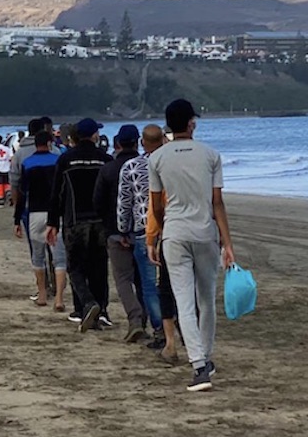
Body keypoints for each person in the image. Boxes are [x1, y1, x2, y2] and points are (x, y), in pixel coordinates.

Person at [148, 99, 235, 392]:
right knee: (206, 299)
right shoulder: (210, 155)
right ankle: (204, 357)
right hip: (204, 231)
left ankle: (199, 365)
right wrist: (228, 242)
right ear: (190, 123)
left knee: (183, 300)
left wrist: (160, 229)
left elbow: (156, 205)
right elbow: (217, 203)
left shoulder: (157, 158)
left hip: (174, 232)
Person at [45, 118, 113, 333]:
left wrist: (52, 222)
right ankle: (101, 310)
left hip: (74, 220)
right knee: (99, 267)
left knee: (76, 267)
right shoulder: (105, 160)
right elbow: (112, 195)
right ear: (94, 135)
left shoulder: (66, 160)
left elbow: (56, 193)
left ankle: (85, 304)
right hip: (100, 222)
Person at [119, 124, 168, 349]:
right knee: (175, 282)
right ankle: (181, 327)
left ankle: (161, 331)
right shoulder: (171, 164)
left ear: (142, 142)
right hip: (172, 227)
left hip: (142, 230)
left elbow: (125, 203)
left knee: (149, 285)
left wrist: (123, 229)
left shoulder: (131, 167)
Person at [94, 125, 144, 339]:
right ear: (137, 142)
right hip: (143, 231)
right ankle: (151, 323)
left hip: (115, 232)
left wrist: (109, 226)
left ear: (117, 144)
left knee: (123, 279)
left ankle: (134, 318)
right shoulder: (146, 167)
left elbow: (98, 202)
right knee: (145, 280)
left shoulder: (108, 169)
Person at [14, 131, 69, 310]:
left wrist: (17, 219)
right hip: (56, 213)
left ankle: (42, 295)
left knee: (38, 256)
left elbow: (22, 193)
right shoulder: (58, 161)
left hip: (35, 213)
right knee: (59, 258)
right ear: (50, 142)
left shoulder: (27, 163)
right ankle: (59, 299)